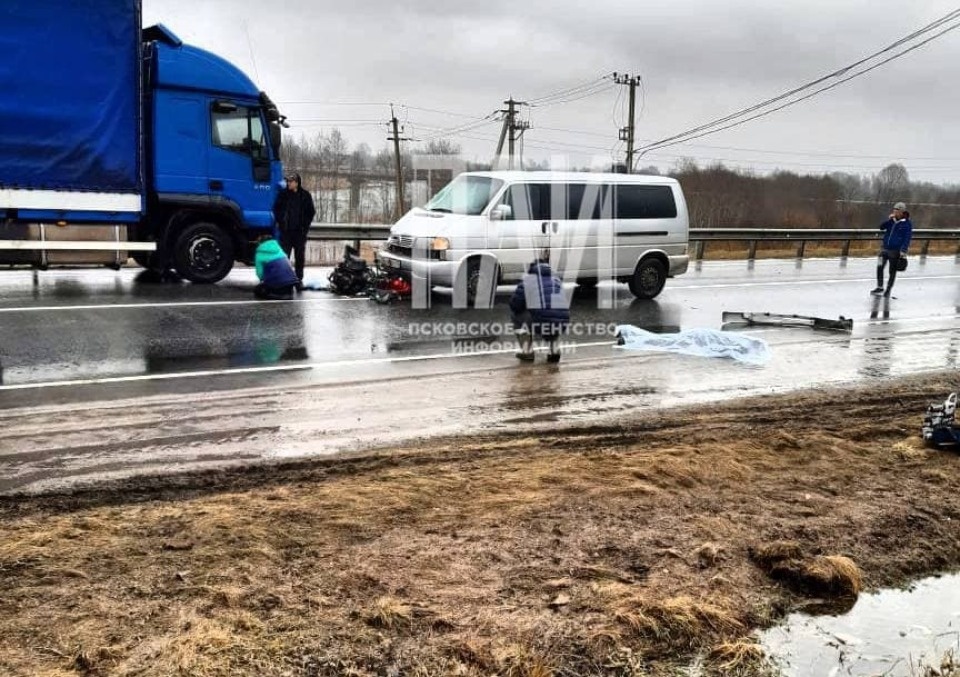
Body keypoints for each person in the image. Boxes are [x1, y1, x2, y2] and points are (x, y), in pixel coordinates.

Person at [509, 250, 570, 363]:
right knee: (551, 317)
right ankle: (554, 351)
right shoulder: (556, 280)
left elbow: (515, 305)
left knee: (515, 315)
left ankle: (527, 352)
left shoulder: (528, 281)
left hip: (542, 322)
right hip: (561, 323)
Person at [272, 172, 316, 286]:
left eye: (290, 181)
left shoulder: (305, 195)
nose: (288, 183)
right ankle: (284, 279)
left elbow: (311, 212)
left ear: (297, 183)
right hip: (286, 232)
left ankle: (298, 279)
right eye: (287, 181)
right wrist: (281, 222)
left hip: (299, 233)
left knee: (299, 257)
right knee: (284, 256)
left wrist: (305, 226)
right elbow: (276, 209)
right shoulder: (283, 195)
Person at [872, 201, 913, 297]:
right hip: (884, 249)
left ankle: (888, 289)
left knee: (892, 271)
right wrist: (889, 220)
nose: (894, 211)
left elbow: (907, 237)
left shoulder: (906, 223)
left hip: (895, 251)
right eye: (894, 209)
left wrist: (903, 251)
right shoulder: (892, 221)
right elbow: (881, 227)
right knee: (879, 267)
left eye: (897, 210)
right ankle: (880, 287)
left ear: (902, 212)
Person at [253, 234, 299, 300]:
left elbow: (260, 274)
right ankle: (286, 293)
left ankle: (274, 293)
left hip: (277, 285)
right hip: (290, 284)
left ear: (260, 242)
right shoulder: (279, 249)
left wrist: (264, 282)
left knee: (257, 290)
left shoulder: (259, 252)